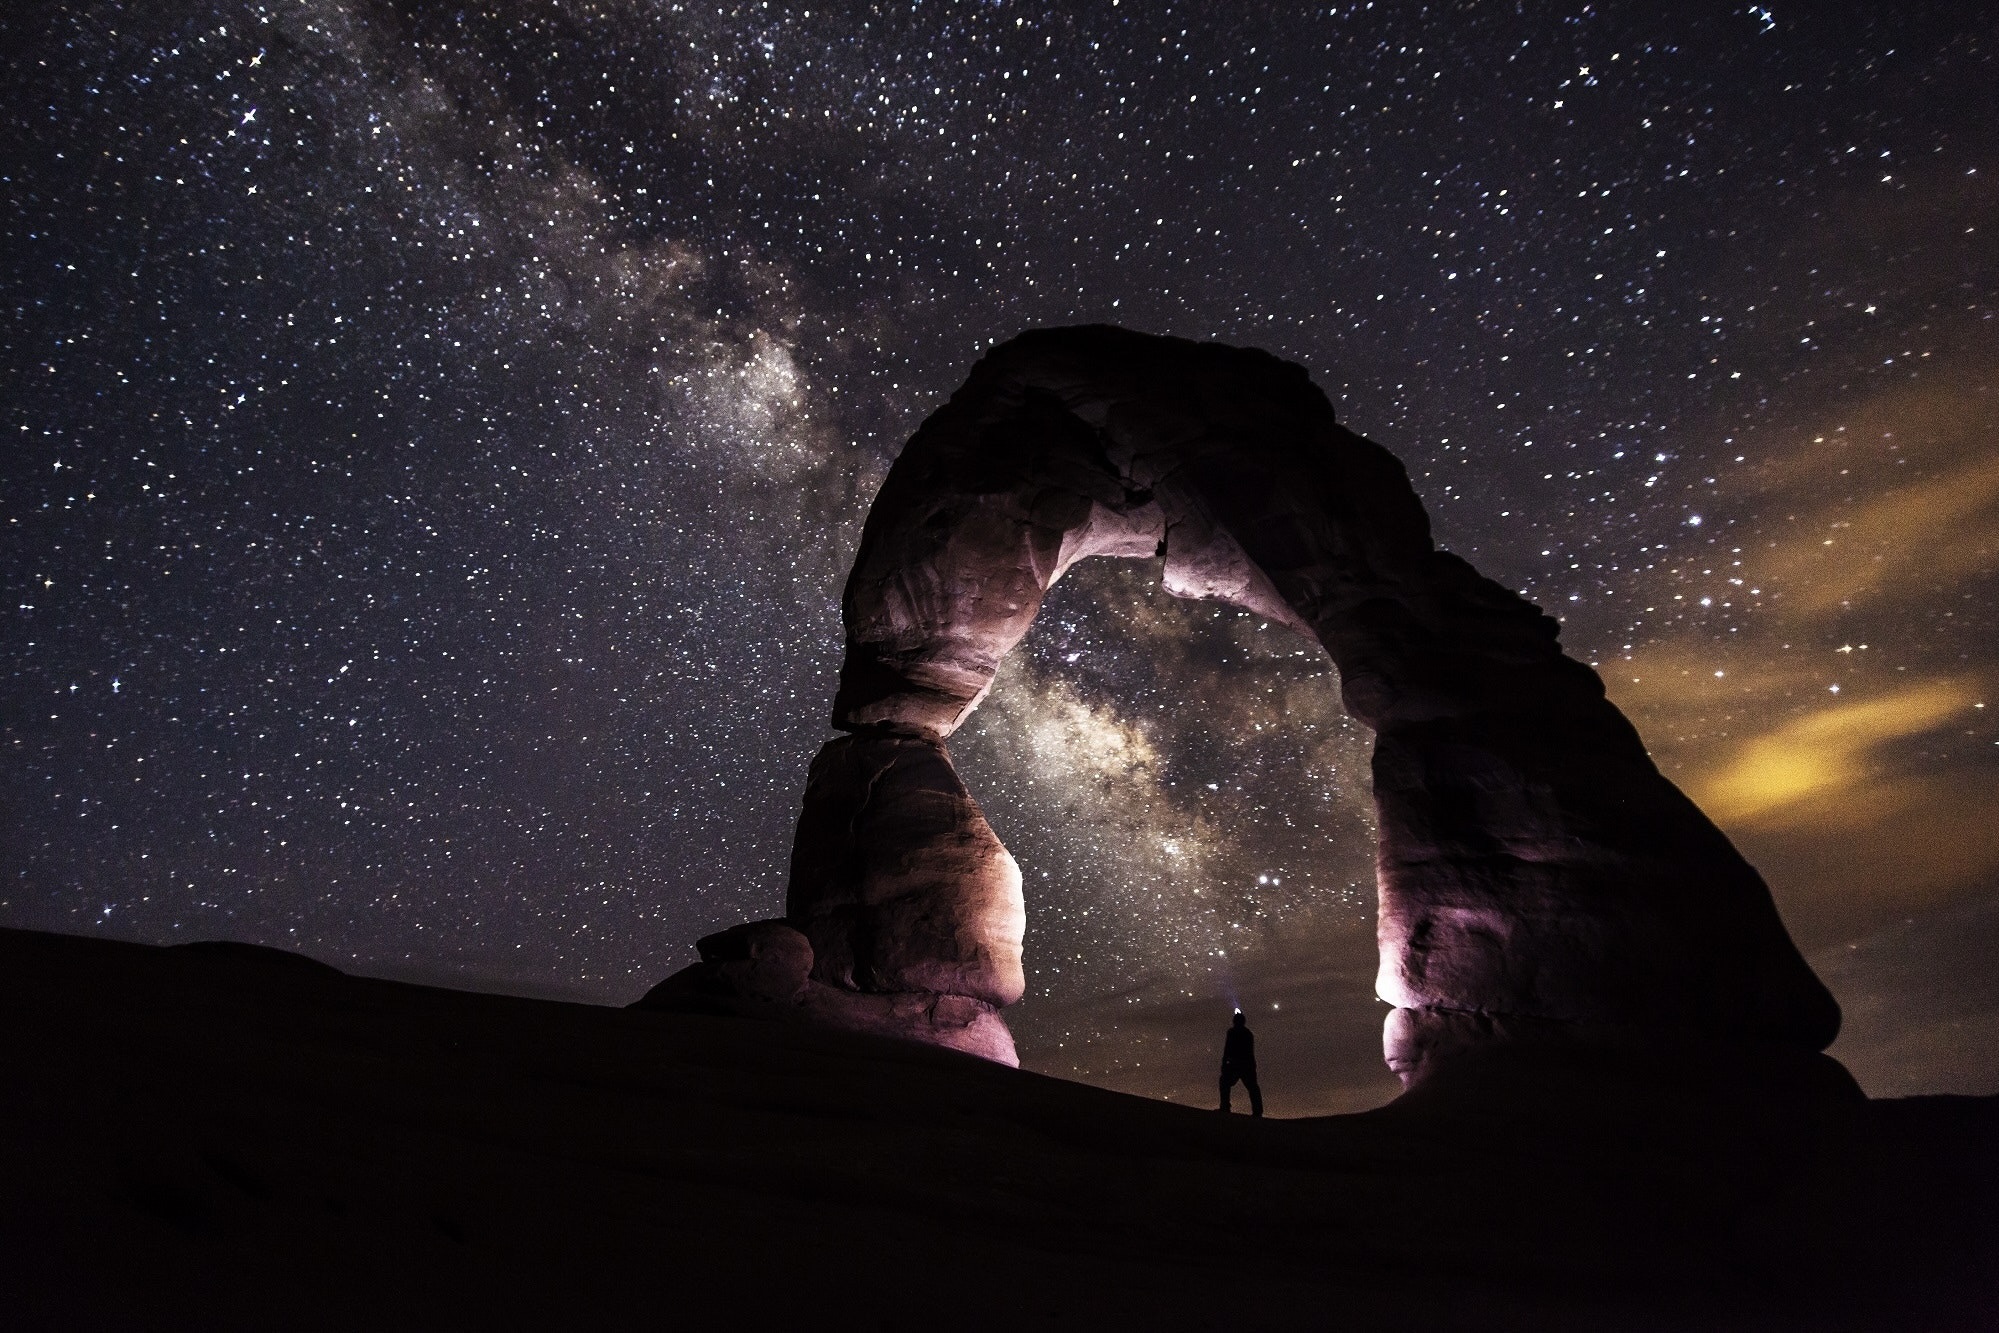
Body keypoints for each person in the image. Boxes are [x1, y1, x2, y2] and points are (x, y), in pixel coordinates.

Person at [1218, 1010, 1263, 1116]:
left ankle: (1225, 1107)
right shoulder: (1247, 1034)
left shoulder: (1233, 1032)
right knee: (1252, 1088)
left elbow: (1227, 1049)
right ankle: (1257, 1111)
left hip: (1237, 1065)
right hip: (1245, 1065)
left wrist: (1225, 1063)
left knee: (1225, 1083)